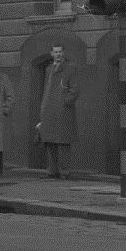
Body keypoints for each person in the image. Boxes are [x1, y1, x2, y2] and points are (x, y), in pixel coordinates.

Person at [37, 44, 78, 179]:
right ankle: (52, 170)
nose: (58, 54)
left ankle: (65, 171)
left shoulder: (70, 69)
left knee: (63, 142)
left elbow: (75, 90)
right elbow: (46, 91)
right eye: (55, 52)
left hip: (62, 111)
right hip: (48, 110)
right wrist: (43, 110)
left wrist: (65, 102)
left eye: (60, 51)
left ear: (63, 53)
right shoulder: (48, 69)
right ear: (51, 53)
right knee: (49, 142)